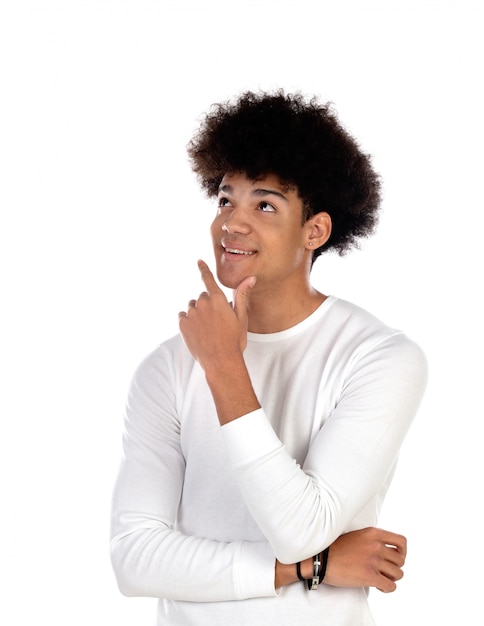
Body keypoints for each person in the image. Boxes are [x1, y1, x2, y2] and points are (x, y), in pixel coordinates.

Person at [110, 90, 427, 625]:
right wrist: (313, 568)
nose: (232, 223)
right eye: (225, 199)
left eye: (264, 204)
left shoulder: (380, 358)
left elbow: (301, 528)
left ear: (315, 231)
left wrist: (225, 367)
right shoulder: (166, 368)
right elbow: (134, 560)